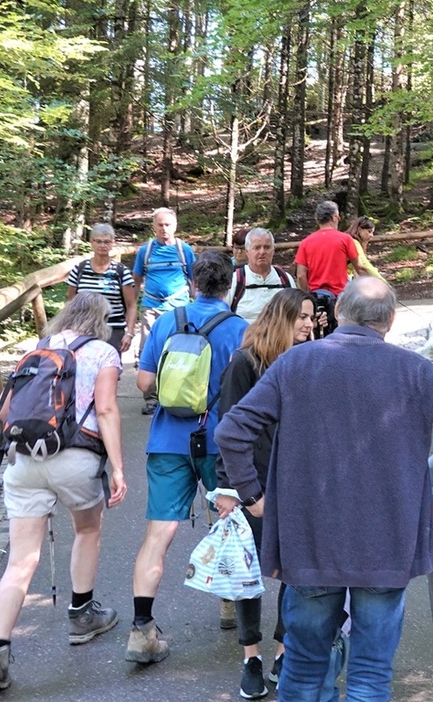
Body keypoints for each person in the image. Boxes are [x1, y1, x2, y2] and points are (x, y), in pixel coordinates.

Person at [216, 276, 433, 701]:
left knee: (305, 667)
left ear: (339, 311)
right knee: (370, 674)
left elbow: (232, 431)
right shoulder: (414, 370)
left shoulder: (296, 364)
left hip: (309, 541)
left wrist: (252, 497)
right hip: (388, 542)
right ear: (391, 320)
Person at [0, 292, 128, 692]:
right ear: (102, 321)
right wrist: (117, 467)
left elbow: (7, 412)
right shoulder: (103, 352)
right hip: (75, 458)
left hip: (25, 460)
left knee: (21, 561)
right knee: (87, 529)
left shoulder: (38, 349)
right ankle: (81, 614)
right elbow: (108, 409)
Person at [126, 251, 248, 665]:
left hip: (167, 440)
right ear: (230, 285)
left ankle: (142, 629)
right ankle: (231, 606)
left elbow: (143, 380)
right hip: (219, 442)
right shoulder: (239, 329)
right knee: (229, 522)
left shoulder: (166, 322)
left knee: (157, 535)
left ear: (192, 283)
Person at [213, 288, 314, 699]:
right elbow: (226, 429)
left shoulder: (307, 362)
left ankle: (283, 649)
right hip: (250, 487)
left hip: (295, 485)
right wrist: (228, 491)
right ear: (281, 319)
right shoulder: (245, 362)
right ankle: (251, 656)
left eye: (312, 318)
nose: (310, 324)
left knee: (294, 572)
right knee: (248, 575)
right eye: (302, 317)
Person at [132, 208, 196, 412]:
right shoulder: (146, 250)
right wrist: (132, 311)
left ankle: (176, 394)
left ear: (175, 226)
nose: (164, 229)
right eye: (160, 225)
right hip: (151, 308)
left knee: (180, 351)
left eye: (168, 224)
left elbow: (194, 280)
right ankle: (151, 398)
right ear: (153, 226)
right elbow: (136, 280)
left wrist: (198, 306)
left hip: (179, 309)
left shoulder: (184, 250)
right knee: (149, 351)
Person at [66, 223, 138, 354]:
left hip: (113, 330)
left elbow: (131, 305)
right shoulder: (79, 270)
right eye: (98, 241)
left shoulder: (121, 271)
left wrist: (130, 333)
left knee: (110, 370)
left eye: (106, 242)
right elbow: (70, 303)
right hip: (83, 330)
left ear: (112, 243)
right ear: (91, 242)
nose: (102, 245)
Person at [294, 201, 359, 336]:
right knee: (341, 333)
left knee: (314, 332)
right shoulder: (345, 239)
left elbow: (301, 275)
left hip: (316, 295)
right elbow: (359, 267)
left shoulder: (306, 242)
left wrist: (308, 294)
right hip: (339, 297)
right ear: (335, 217)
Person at [227, 228, 297, 322]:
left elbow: (296, 314)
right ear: (247, 251)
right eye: (257, 247)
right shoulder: (235, 280)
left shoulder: (285, 279)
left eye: (267, 247)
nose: (262, 252)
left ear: (273, 250)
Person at [345, 215, 383, 280]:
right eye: (369, 231)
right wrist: (382, 282)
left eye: (372, 232)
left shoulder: (351, 240)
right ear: (359, 229)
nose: (372, 235)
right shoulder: (354, 242)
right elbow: (364, 264)